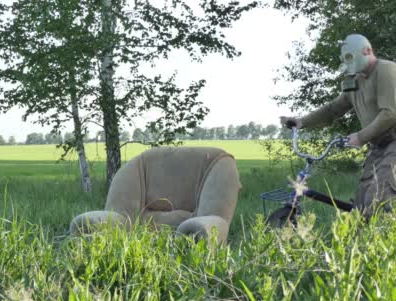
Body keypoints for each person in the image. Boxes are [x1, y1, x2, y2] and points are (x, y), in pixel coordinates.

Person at [280, 33, 396, 217]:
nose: (350, 62)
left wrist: (360, 137)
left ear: (368, 50)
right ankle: (366, 243)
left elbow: (390, 113)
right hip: (378, 146)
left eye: (351, 56)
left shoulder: (386, 70)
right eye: (346, 58)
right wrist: (302, 122)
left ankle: (387, 241)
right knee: (362, 202)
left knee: (380, 198)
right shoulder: (355, 81)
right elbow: (333, 110)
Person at [69, 146, 242, 243]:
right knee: (86, 224)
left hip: (189, 233)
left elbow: (214, 220)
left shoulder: (219, 166)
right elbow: (119, 216)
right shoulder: (137, 168)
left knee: (198, 232)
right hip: (127, 251)